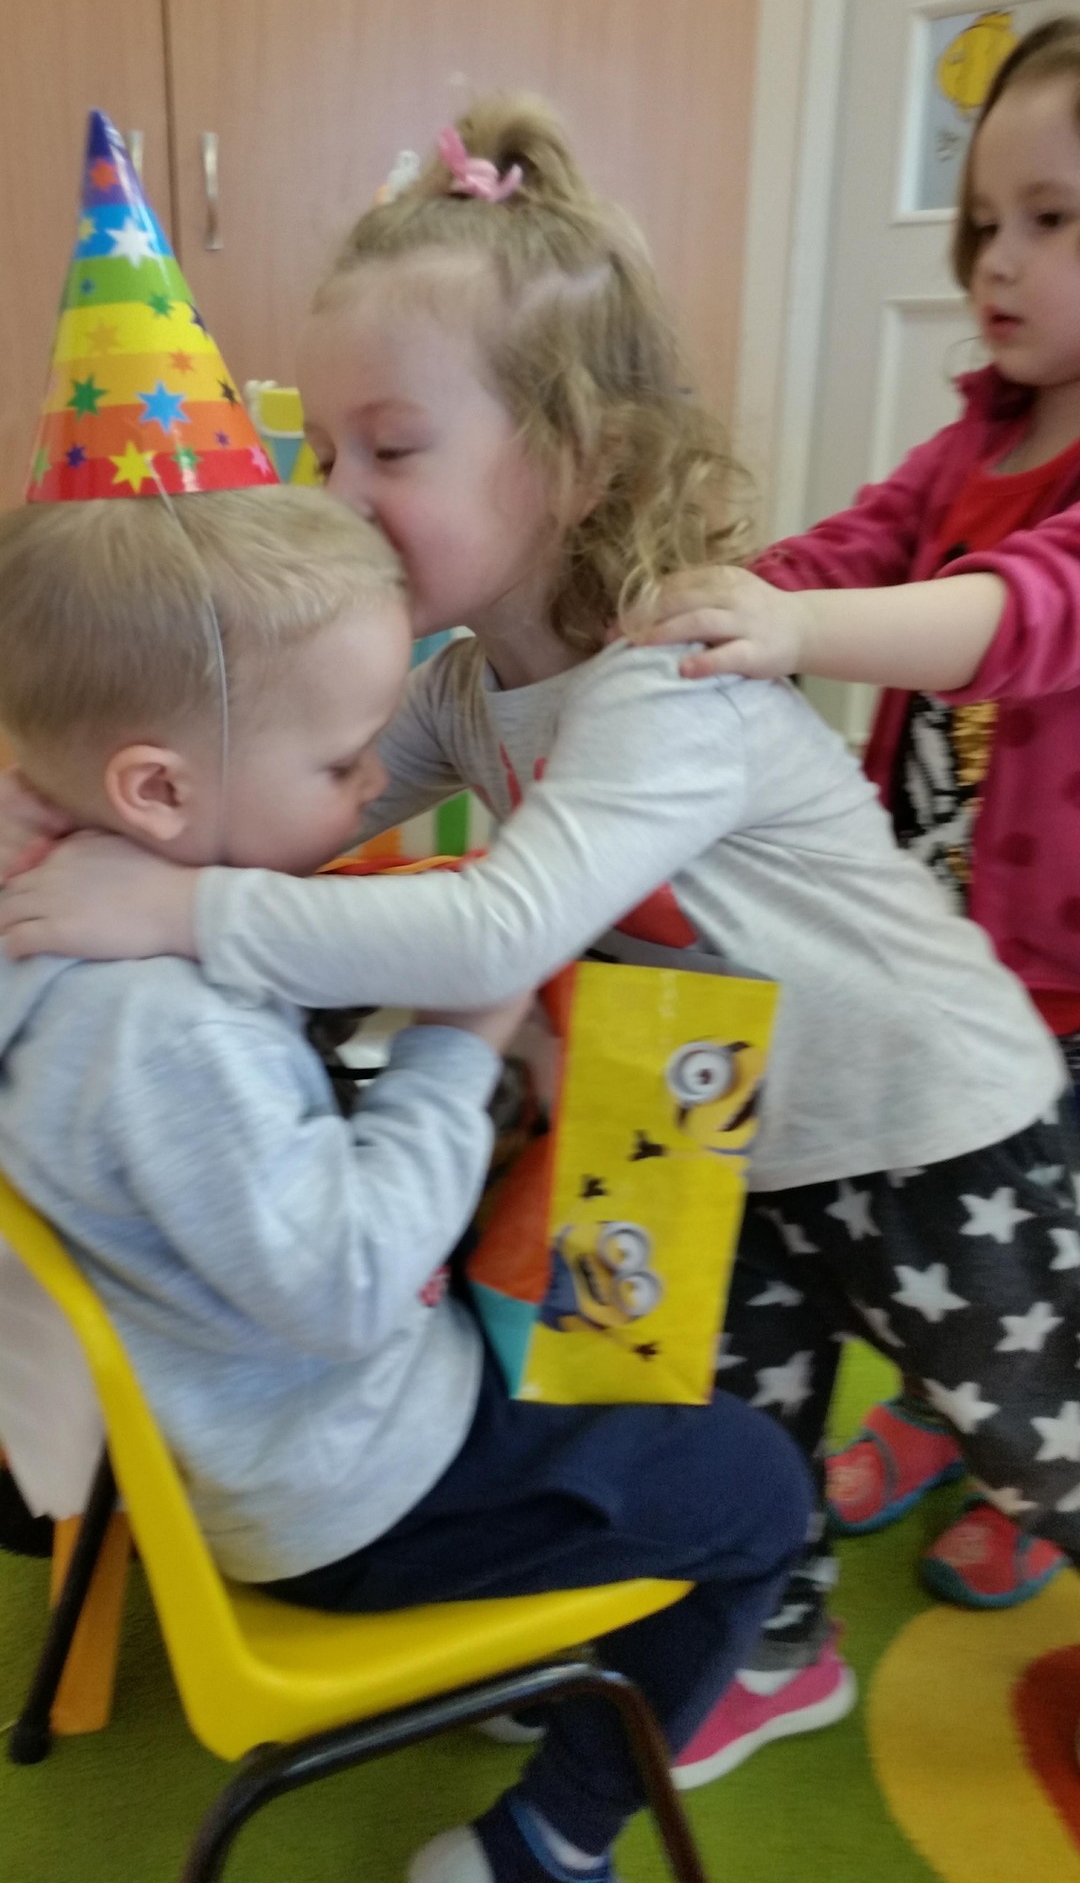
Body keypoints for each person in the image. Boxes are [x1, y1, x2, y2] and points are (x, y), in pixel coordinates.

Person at [3, 92, 1080, 1787]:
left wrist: (177, 905)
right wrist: (60, 820)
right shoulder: (457, 693)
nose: (343, 495)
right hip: (722, 1128)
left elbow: (500, 925)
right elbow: (266, 802)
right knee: (725, 1412)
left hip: (929, 1122)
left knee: (1044, 1437)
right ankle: (766, 1655)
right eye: (326, 451)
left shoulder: (668, 686)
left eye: (392, 450)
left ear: (580, 462)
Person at [0, 487, 812, 1883]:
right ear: (159, 791)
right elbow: (352, 1281)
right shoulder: (156, 1035)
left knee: (612, 1333)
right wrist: (461, 1037)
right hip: (357, 1490)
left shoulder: (56, 927)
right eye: (340, 760)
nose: (376, 776)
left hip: (287, 1431)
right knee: (760, 1492)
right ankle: (553, 1836)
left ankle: (535, 1651)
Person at [643, 15, 1080, 1622]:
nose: (998, 261)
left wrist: (799, 632)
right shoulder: (975, 438)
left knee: (1036, 1262)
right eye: (984, 221)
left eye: (1053, 220)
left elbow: (1021, 613)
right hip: (946, 954)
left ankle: (1018, 1474)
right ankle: (935, 1415)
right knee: (943, 1231)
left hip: (1069, 976)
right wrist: (721, 595)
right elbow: (851, 547)